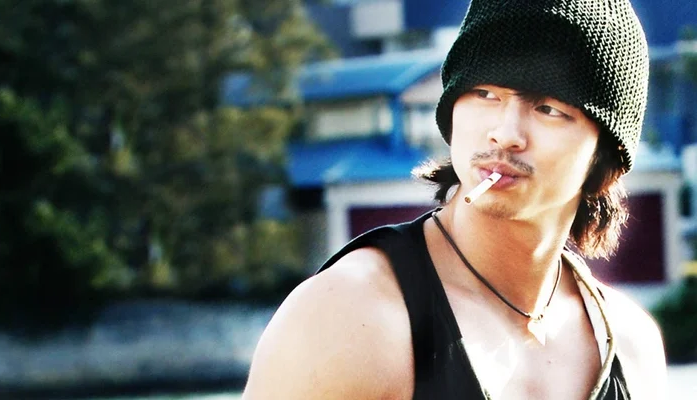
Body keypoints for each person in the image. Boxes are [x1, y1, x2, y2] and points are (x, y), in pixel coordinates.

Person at [242, 0, 668, 398]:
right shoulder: (351, 316)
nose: (505, 134)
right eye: (485, 94)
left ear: (606, 159)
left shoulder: (632, 346)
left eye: (549, 109)